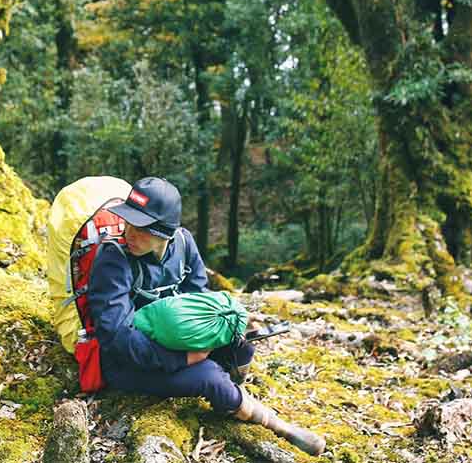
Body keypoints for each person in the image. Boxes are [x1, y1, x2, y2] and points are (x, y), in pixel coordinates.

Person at [88, 176, 325, 456]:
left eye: (142, 228)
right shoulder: (114, 259)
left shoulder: (184, 245)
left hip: (176, 338)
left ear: (165, 232)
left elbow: (198, 300)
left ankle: (232, 394)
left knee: (242, 347)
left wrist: (211, 337)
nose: (130, 232)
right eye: (128, 221)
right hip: (127, 363)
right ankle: (276, 424)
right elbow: (116, 337)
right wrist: (184, 358)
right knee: (208, 375)